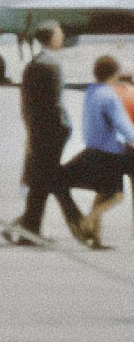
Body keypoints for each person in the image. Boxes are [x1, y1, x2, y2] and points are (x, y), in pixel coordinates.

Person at [64, 55, 134, 249]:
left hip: (92, 150)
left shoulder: (91, 91)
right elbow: (123, 125)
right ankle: (86, 221)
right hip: (110, 153)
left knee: (101, 193)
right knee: (116, 196)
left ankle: (96, 238)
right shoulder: (109, 96)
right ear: (114, 73)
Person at [11, 44, 72, 245]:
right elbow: (55, 102)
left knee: (39, 181)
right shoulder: (49, 65)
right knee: (42, 183)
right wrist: (64, 126)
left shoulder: (34, 65)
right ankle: (28, 229)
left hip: (38, 130)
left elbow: (27, 103)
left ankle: (27, 226)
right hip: (50, 133)